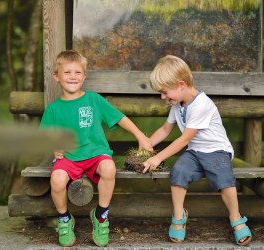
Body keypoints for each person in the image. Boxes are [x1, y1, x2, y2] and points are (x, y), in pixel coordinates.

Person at [40, 50, 153, 247]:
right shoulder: (54, 109)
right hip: (69, 157)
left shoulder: (93, 100)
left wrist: (141, 136)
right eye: (67, 72)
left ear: (84, 76)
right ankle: (65, 219)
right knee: (56, 179)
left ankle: (101, 216)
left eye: (77, 72)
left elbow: (120, 118)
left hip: (95, 154)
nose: (73, 77)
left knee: (109, 168)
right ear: (56, 77)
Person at [142, 55, 252, 246]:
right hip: (195, 152)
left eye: (164, 92)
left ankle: (235, 218)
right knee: (179, 172)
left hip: (216, 150)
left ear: (181, 84)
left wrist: (158, 157)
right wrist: (147, 145)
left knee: (223, 177)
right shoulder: (177, 104)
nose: (163, 97)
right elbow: (165, 129)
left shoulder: (202, 104)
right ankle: (179, 216)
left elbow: (185, 138)